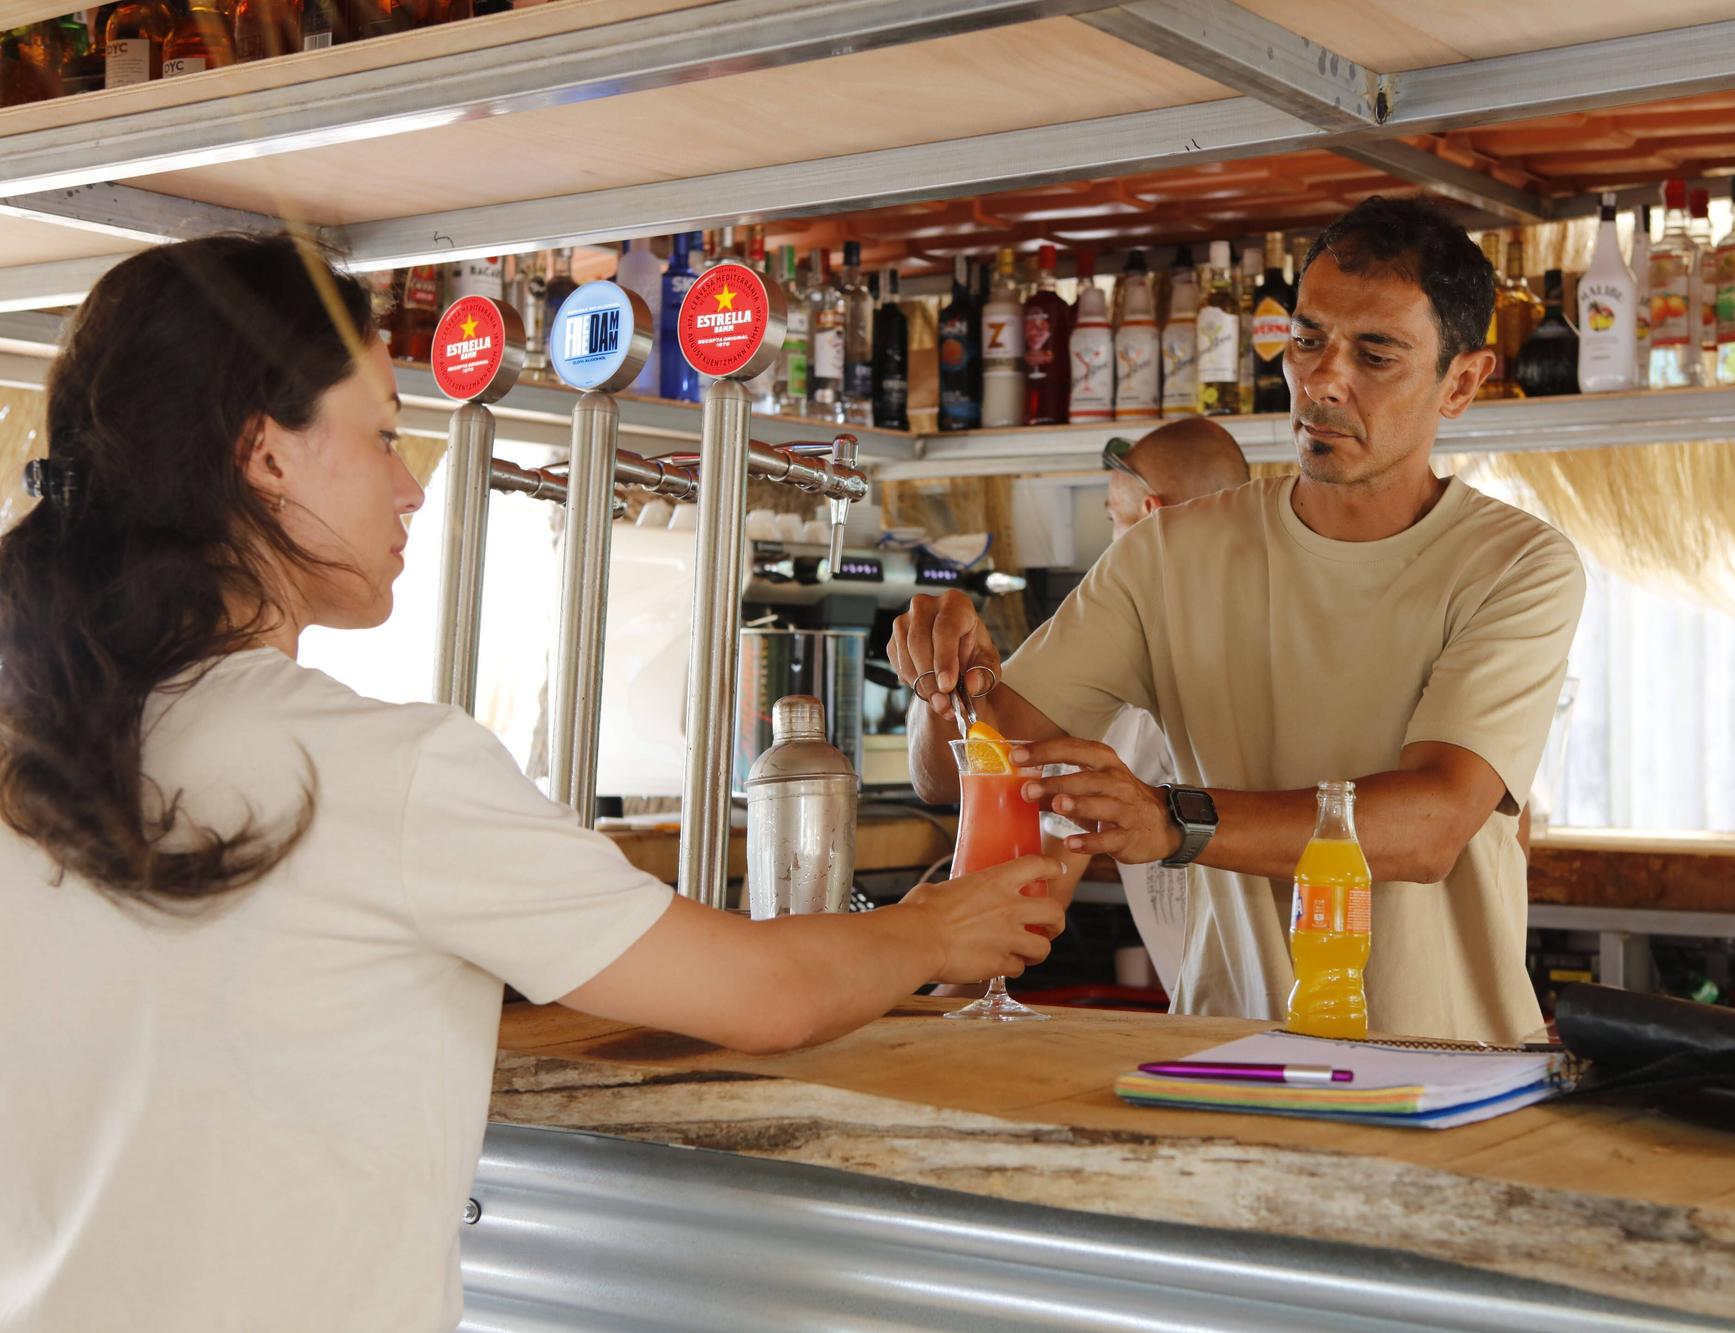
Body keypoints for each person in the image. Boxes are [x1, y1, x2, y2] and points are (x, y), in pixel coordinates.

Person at [0, 235, 1062, 1332]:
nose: (411, 487)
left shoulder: (27, 747)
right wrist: (936, 931)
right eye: (378, 437)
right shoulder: (390, 768)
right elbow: (764, 994)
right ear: (263, 455)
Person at [892, 198, 1585, 1044]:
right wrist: (945, 678)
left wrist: (1174, 818)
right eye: (1306, 340)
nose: (1325, 380)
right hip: (1221, 1056)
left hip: (1442, 1069)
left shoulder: (1515, 564)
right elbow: (972, 767)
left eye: (1375, 354)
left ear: (1464, 382)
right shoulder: (1170, 553)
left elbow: (1430, 825)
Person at [1047, 419, 1251, 994]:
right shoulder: (1301, 637)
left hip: (1224, 1041)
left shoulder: (1112, 677)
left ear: (1152, 522)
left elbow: (1038, 894)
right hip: (1340, 1026)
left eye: (1115, 524)